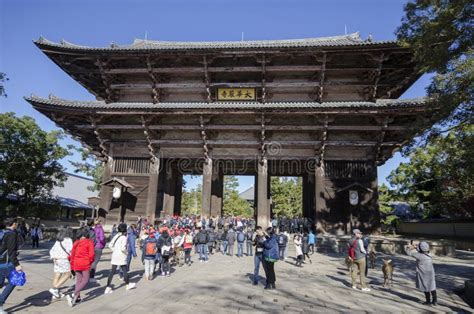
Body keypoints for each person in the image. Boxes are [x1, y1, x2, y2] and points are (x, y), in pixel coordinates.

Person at [66, 228, 95, 307]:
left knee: (78, 281)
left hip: (76, 263)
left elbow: (72, 255)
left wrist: (72, 266)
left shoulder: (76, 242)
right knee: (85, 280)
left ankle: (76, 298)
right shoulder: (89, 242)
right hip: (85, 263)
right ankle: (74, 294)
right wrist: (90, 261)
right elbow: (92, 254)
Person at [105, 223, 136, 294]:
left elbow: (110, 245)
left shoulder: (116, 235)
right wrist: (127, 252)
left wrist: (115, 250)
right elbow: (123, 248)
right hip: (121, 256)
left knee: (112, 271)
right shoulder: (124, 237)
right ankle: (127, 284)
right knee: (124, 270)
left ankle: (108, 287)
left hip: (115, 255)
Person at [0, 218, 23, 313]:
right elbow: (11, 252)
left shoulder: (2, 232)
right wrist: (17, 264)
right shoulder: (12, 234)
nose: (17, 224)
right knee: (14, 281)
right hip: (7, 263)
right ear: (13, 224)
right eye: (16, 223)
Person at [406, 241, 437, 306]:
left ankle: (428, 302)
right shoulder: (430, 254)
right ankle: (435, 301)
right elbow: (422, 250)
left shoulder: (419, 256)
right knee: (432, 287)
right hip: (431, 273)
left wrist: (410, 247)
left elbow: (408, 252)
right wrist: (417, 247)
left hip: (423, 274)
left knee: (426, 287)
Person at [48, 228, 73, 300]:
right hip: (63, 259)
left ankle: (55, 293)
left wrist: (53, 257)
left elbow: (52, 250)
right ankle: (54, 289)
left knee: (57, 275)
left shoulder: (58, 240)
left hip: (56, 259)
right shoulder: (68, 240)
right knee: (68, 274)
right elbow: (70, 249)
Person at [90, 218, 105, 283]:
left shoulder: (93, 229)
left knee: (91, 261)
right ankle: (91, 277)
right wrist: (104, 242)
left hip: (92, 245)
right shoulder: (100, 229)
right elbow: (102, 238)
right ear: (100, 223)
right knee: (95, 262)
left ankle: (87, 274)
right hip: (98, 246)